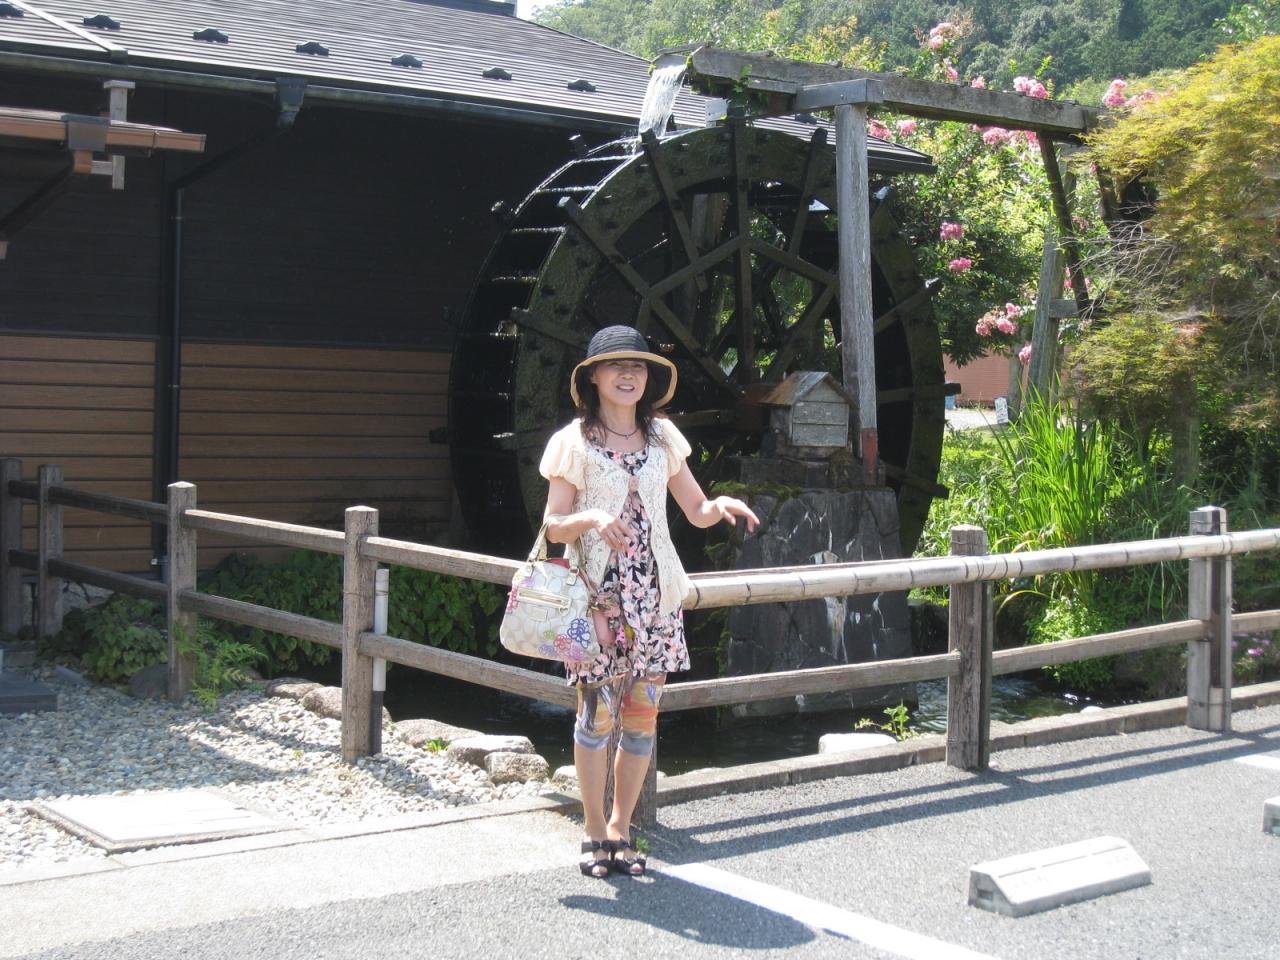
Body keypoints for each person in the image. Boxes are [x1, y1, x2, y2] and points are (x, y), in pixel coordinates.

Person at [539, 325, 759, 878]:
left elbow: (695, 510)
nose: (628, 374)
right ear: (593, 377)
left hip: (657, 597)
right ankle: (593, 830)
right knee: (596, 717)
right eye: (616, 366)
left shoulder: (663, 438)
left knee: (641, 719)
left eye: (637, 366)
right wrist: (592, 517)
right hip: (599, 600)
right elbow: (553, 525)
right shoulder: (573, 442)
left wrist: (719, 506)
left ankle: (621, 828)